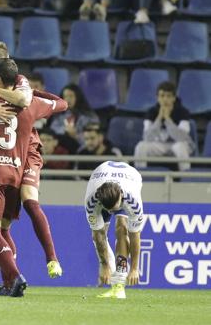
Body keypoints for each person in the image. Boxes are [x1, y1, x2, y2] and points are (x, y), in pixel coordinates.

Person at [0, 42, 63, 295]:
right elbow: (59, 103)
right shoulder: (27, 103)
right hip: (15, 168)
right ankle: (3, 280)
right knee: (0, 227)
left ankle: (14, 276)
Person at [85, 161, 146, 299]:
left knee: (121, 227)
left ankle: (119, 282)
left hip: (131, 177)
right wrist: (104, 265)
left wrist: (135, 268)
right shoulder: (92, 201)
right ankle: (110, 269)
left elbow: (135, 236)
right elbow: (98, 235)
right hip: (99, 176)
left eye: (115, 207)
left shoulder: (133, 201)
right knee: (100, 236)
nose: (113, 211)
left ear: (120, 197)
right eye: (109, 209)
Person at [134, 81, 193, 171]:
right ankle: (141, 177)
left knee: (180, 146)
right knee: (141, 146)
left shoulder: (183, 112)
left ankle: (186, 178)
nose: (165, 99)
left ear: (174, 98)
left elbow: (182, 138)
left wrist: (167, 119)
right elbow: (147, 138)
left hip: (177, 145)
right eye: (162, 96)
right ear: (157, 98)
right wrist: (159, 118)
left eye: (168, 96)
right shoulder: (151, 112)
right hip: (159, 146)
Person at [49, 83, 99, 153]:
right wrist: (65, 130)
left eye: (71, 96)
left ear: (78, 97)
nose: (68, 99)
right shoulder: (59, 115)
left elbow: (93, 137)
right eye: (65, 96)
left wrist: (76, 135)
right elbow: (53, 130)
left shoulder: (89, 116)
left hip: (84, 149)